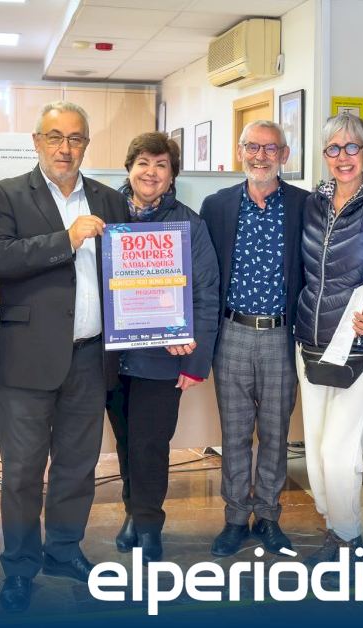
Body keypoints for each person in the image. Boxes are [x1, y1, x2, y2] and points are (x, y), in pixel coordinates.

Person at [0, 101, 130, 613]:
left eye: (75, 138)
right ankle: (20, 566)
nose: (65, 148)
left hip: (90, 356)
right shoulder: (5, 195)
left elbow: (127, 273)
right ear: (37, 141)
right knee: (23, 471)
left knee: (77, 466)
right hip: (25, 358)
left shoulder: (110, 199)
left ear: (86, 144)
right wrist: (66, 239)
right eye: (55, 137)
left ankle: (64, 550)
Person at [104, 132, 219, 562]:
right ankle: (133, 512)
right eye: (143, 163)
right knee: (125, 440)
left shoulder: (189, 225)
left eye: (161, 165)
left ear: (172, 175)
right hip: (111, 357)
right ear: (129, 168)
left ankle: (150, 523)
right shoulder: (105, 214)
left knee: (150, 443)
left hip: (163, 358)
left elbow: (206, 294)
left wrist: (195, 361)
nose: (151, 173)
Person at [296, 112, 363, 567]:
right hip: (311, 339)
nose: (343, 157)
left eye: (352, 147)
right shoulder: (314, 203)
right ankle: (336, 529)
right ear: (324, 155)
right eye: (333, 148)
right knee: (317, 450)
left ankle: (348, 539)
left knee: (340, 451)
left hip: (358, 344)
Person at [200, 120, 309, 557]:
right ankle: (234, 518)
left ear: (284, 155)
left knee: (276, 434)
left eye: (270, 148)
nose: (260, 156)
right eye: (252, 147)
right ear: (240, 150)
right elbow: (204, 274)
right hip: (231, 333)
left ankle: (267, 516)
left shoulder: (304, 205)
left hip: (282, 335)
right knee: (234, 434)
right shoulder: (217, 206)